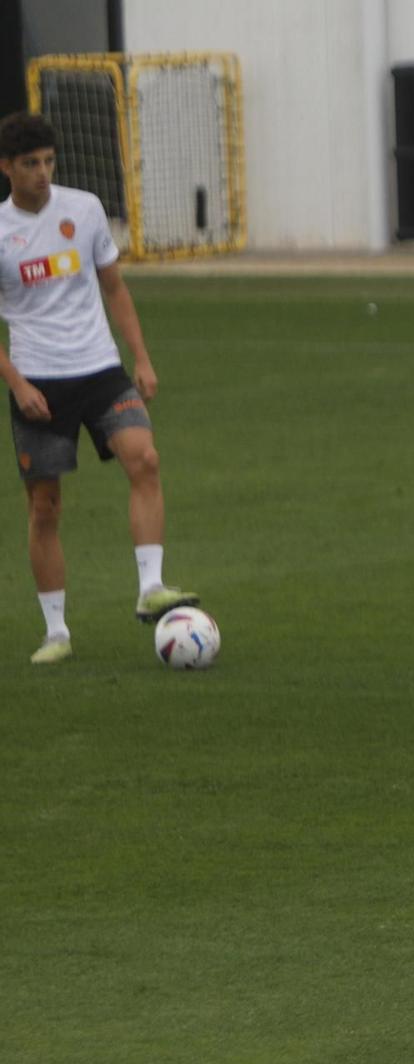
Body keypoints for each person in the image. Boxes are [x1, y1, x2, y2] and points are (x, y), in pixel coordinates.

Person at [0, 112, 196, 664]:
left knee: (145, 459)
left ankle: (150, 587)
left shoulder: (84, 209)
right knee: (45, 507)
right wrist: (16, 384)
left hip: (100, 370)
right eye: (31, 164)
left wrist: (142, 358)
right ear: (7, 168)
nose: (43, 173)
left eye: (48, 162)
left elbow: (114, 287)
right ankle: (57, 632)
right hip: (39, 380)